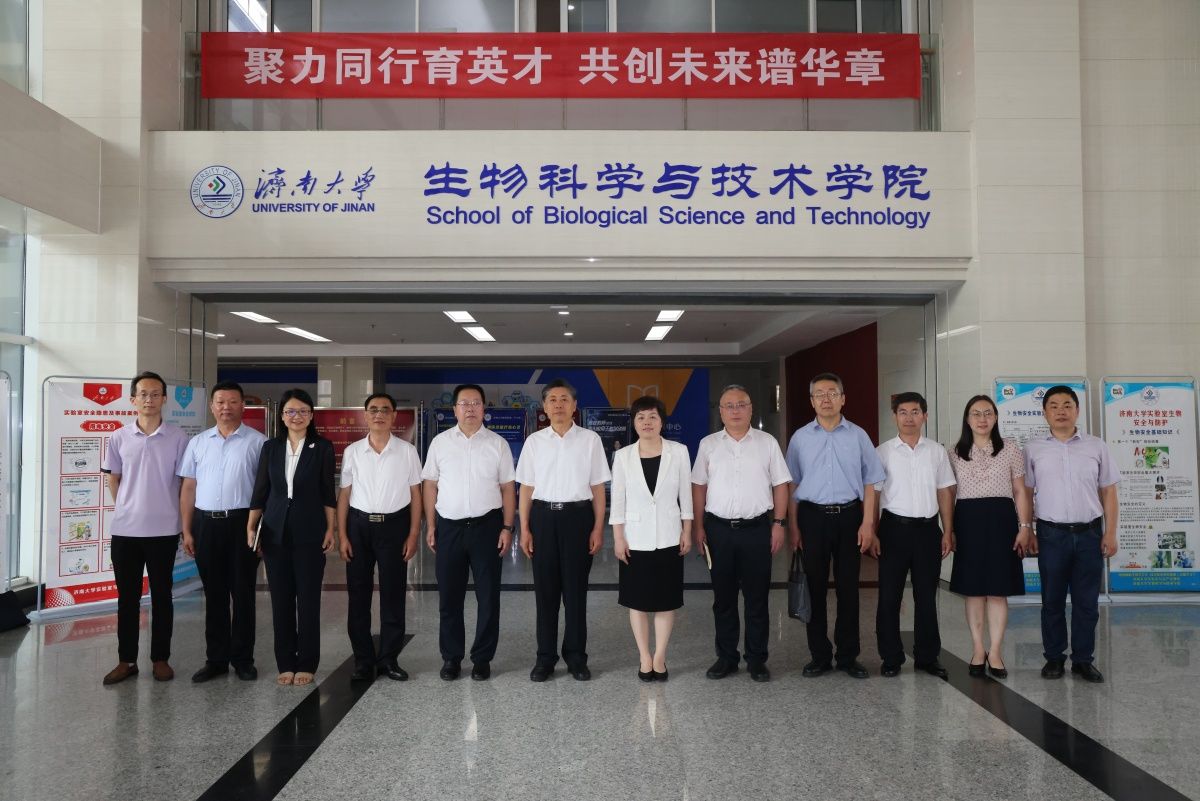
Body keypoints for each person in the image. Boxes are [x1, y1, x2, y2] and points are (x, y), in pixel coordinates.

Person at [785, 372, 885, 680]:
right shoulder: (800, 438)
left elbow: (871, 481)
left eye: (832, 393)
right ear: (811, 401)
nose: (826, 399)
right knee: (814, 589)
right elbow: (792, 484)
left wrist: (868, 523)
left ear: (843, 398)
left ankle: (847, 656)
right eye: (819, 394)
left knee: (848, 589)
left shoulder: (858, 436)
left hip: (850, 517)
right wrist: (794, 527)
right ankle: (819, 656)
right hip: (812, 518)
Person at [692, 385, 791, 682]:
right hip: (718, 530)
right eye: (729, 406)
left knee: (757, 598)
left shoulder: (767, 443)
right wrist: (698, 526)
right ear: (720, 412)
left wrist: (779, 523)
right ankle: (726, 657)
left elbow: (781, 484)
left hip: (757, 530)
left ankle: (757, 659)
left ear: (751, 409)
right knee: (723, 599)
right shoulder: (709, 444)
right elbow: (699, 487)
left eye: (741, 404)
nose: (735, 410)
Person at [516, 378, 610, 682]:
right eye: (552, 400)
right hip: (543, 519)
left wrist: (598, 527)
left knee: (575, 593)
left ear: (574, 406)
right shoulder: (534, 442)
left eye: (564, 399)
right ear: (544, 407)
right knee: (545, 594)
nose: (558, 404)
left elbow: (598, 488)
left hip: (578, 519)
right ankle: (545, 658)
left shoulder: (590, 440)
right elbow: (526, 488)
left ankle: (576, 657)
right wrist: (524, 528)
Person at [100, 371, 190, 685]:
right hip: (125, 531)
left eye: (155, 394)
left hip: (164, 530)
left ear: (164, 399)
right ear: (132, 399)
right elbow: (114, 479)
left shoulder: (178, 437)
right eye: (143, 394)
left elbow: (184, 484)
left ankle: (160, 659)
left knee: (163, 596)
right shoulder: (119, 437)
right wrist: (129, 506)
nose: (148, 399)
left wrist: (183, 523)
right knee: (127, 598)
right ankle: (126, 661)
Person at [1025, 385, 1120, 683]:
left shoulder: (1096, 446)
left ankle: (1083, 660)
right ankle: (1054, 658)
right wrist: (1027, 530)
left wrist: (1110, 533)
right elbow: (1025, 493)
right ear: (1045, 413)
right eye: (1053, 406)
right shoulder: (1033, 449)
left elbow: (1109, 492)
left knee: (1086, 602)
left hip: (1090, 533)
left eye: (1067, 405)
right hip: (1051, 534)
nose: (1061, 411)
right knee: (1051, 600)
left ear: (1077, 410)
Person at [422, 384, 516, 681]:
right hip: (449, 528)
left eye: (476, 403)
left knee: (488, 598)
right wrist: (431, 524)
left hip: (487, 527)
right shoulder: (440, 443)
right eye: (464, 403)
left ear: (484, 408)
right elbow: (430, 485)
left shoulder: (498, 444)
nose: (470, 408)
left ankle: (482, 658)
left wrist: (507, 527)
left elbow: (508, 488)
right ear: (454, 409)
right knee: (449, 598)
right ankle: (451, 658)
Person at [179, 380, 267, 683]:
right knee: (214, 594)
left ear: (243, 405)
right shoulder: (198, 442)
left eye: (232, 401)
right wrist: (187, 529)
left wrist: (259, 531)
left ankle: (243, 659)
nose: (226, 407)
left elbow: (264, 491)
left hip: (243, 524)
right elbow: (188, 488)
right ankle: (215, 660)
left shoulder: (258, 443)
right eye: (220, 402)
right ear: (212, 406)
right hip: (206, 524)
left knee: (243, 593)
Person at [247, 389, 335, 687]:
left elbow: (327, 492)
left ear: (311, 415)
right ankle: (285, 662)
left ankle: (307, 662)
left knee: (308, 600)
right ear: (282, 416)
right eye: (290, 411)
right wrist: (251, 526)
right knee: (281, 600)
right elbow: (261, 490)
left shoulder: (322, 447)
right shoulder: (270, 448)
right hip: (275, 533)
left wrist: (331, 528)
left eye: (302, 411)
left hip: (310, 532)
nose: (296, 416)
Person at [337, 392, 423, 683]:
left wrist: (413, 533)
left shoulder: (407, 451)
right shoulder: (353, 452)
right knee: (358, 596)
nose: (379, 414)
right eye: (373, 409)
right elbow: (345, 494)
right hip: (359, 527)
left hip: (394, 527)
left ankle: (389, 659)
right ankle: (363, 660)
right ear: (365, 415)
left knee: (393, 595)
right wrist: (342, 535)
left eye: (385, 410)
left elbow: (415, 494)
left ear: (394, 416)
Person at [947, 394, 1034, 679]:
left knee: (998, 589)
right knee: (973, 590)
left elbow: (1020, 490)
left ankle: (995, 651)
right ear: (967, 418)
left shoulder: (1009, 448)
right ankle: (977, 649)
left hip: (1002, 520)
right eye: (976, 413)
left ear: (996, 417)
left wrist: (1025, 526)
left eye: (987, 413)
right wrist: (948, 529)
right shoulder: (954, 452)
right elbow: (948, 493)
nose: (982, 419)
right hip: (967, 521)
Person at [610, 395, 693, 682]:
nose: (647, 422)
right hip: (635, 539)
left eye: (653, 417)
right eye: (641, 417)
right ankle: (644, 656)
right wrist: (618, 538)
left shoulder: (679, 452)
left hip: (669, 535)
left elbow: (686, 495)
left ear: (662, 421)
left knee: (666, 600)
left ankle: (660, 656)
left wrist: (687, 530)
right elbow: (617, 501)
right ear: (633, 423)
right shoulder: (623, 456)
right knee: (638, 601)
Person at [874, 392, 956, 678]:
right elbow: (873, 494)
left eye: (915, 412)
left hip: (927, 531)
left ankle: (927, 657)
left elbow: (945, 491)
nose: (909, 418)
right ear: (894, 416)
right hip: (892, 530)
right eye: (903, 412)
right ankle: (891, 657)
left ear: (925, 416)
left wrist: (948, 530)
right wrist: (871, 531)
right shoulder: (882, 452)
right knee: (889, 597)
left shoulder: (936, 451)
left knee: (926, 596)